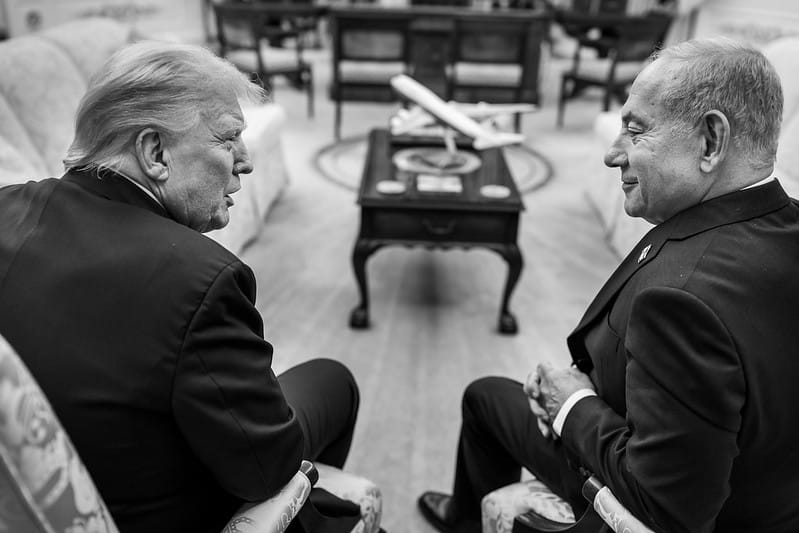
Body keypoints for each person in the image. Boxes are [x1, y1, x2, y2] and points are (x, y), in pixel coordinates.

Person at [417, 37, 799, 533]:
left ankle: (464, 521)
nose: (611, 154)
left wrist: (572, 405)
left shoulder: (682, 299)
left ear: (710, 141)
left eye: (635, 131)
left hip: (683, 503)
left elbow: (665, 503)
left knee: (484, 397)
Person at [0, 41, 361, 533]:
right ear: (155, 152)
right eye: (228, 139)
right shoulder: (200, 280)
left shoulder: (5, 206)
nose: (245, 161)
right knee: (333, 381)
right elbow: (268, 466)